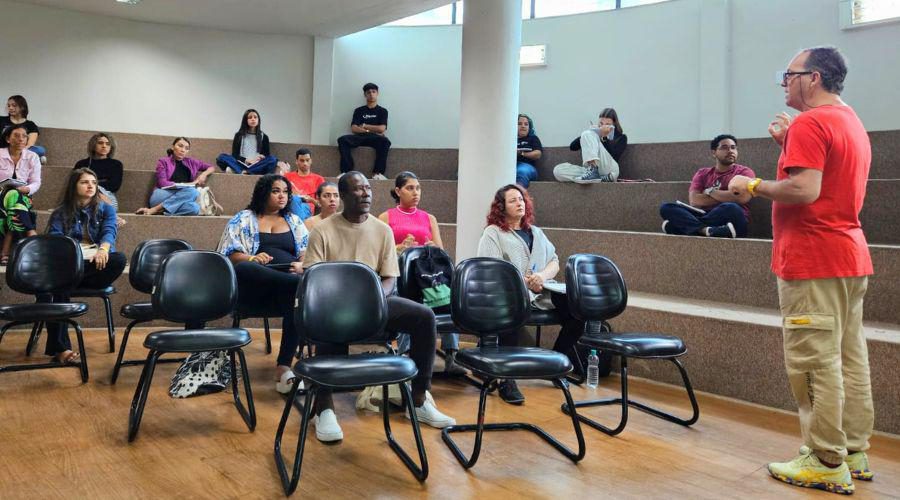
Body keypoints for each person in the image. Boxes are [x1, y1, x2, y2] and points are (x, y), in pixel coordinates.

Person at [729, 46, 874, 495]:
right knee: (850, 358)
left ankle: (825, 458)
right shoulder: (848, 119)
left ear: (812, 78)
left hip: (813, 259)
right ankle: (852, 450)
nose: (784, 82)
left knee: (815, 362)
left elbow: (805, 190)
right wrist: (788, 146)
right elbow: (823, 177)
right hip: (848, 256)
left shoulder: (812, 123)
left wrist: (749, 185)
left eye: (788, 74)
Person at [303, 171, 455, 442]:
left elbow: (389, 277)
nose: (366, 194)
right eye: (358, 190)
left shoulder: (382, 230)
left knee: (424, 317)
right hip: (335, 304)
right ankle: (323, 408)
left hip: (375, 301)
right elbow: (314, 278)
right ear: (344, 196)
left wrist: (374, 300)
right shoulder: (322, 231)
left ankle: (419, 400)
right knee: (328, 324)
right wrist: (345, 303)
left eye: (368, 189)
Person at [476, 184, 584, 405]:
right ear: (501, 207)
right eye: (513, 200)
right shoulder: (493, 233)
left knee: (577, 310)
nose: (520, 203)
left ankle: (558, 361)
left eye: (522, 199)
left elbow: (554, 261)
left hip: (541, 291)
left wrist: (542, 277)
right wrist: (525, 282)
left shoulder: (536, 232)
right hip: (510, 294)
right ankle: (507, 379)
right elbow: (492, 269)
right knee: (512, 307)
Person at [218, 174, 309, 393]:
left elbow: (308, 253)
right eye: (276, 191)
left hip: (286, 292)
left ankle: (283, 367)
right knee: (245, 268)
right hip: (254, 288)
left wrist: (301, 264)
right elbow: (228, 255)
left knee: (295, 293)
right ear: (263, 193)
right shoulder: (244, 218)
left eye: (286, 191)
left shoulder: (294, 221)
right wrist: (252, 258)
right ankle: (297, 285)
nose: (282, 196)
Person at [377, 171, 464, 376]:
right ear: (398, 191)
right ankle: (406, 353)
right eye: (410, 188)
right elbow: (381, 253)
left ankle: (452, 354)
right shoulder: (386, 217)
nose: (416, 192)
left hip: (428, 276)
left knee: (449, 296)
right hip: (399, 275)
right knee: (406, 299)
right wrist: (399, 248)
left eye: (418, 188)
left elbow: (442, 253)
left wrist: (432, 247)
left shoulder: (429, 218)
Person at [44, 168, 126, 365]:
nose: (91, 186)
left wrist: (104, 250)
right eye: (84, 182)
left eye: (93, 182)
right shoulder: (60, 212)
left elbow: (109, 232)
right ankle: (62, 349)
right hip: (71, 260)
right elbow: (55, 240)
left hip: (94, 264)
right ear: (74, 186)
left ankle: (63, 285)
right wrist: (75, 254)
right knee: (57, 285)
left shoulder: (106, 209)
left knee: (119, 259)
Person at [659, 134, 754, 238]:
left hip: (733, 218)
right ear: (714, 153)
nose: (730, 151)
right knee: (666, 207)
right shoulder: (703, 173)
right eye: (724, 147)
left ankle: (685, 227)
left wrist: (710, 191)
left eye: (733, 147)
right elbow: (694, 200)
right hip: (708, 215)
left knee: (730, 207)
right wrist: (728, 196)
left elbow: (742, 197)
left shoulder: (745, 172)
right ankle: (706, 230)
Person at [136, 137, 214, 216]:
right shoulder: (163, 161)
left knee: (194, 208)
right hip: (162, 195)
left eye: (186, 148)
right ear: (173, 147)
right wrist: (188, 185)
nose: (183, 150)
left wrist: (204, 175)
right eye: (180, 146)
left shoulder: (192, 162)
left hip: (182, 197)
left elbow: (211, 167)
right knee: (192, 191)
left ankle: (160, 211)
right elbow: (162, 183)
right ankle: (155, 209)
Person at [0, 124, 41, 264]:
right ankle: (30, 232)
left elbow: (36, 182)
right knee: (11, 194)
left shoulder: (33, 157)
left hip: (24, 196)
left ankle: (5, 249)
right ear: (7, 138)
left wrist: (27, 189)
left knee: (14, 199)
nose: (21, 139)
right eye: (16, 135)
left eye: (24, 136)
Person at [553, 107, 627, 183]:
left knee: (588, 133)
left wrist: (604, 137)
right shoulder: (593, 134)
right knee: (558, 171)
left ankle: (594, 173)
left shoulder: (621, 137)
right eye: (601, 124)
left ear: (614, 124)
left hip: (610, 171)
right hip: (592, 172)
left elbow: (614, 156)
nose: (603, 127)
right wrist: (592, 132)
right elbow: (572, 147)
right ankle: (597, 177)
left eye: (607, 124)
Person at [336, 83, 391, 180]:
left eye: (374, 92)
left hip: (375, 138)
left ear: (377, 93)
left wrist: (365, 126)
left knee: (385, 142)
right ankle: (346, 172)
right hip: (360, 137)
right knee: (342, 140)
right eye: (368, 92)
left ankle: (377, 173)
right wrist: (371, 130)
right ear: (365, 95)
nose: (371, 94)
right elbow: (354, 128)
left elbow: (382, 128)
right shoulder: (359, 110)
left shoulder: (382, 111)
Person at [216, 109, 278, 175]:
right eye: (250, 117)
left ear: (258, 120)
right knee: (221, 157)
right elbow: (235, 155)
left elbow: (266, 155)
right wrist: (246, 160)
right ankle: (243, 171)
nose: (253, 119)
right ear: (246, 120)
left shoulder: (264, 136)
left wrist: (260, 157)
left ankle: (242, 171)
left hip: (256, 165)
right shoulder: (239, 135)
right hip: (241, 164)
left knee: (272, 159)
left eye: (255, 117)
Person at [74, 133, 124, 210]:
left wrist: (92, 186)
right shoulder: (82, 164)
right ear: (93, 146)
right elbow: (74, 183)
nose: (104, 146)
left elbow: (114, 185)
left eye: (108, 144)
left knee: (102, 202)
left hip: (106, 194)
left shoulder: (116, 164)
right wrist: (95, 188)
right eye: (100, 143)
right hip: (84, 193)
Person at [0, 95, 46, 161]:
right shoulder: (1, 120)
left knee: (40, 150)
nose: (10, 108)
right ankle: (35, 159)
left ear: (22, 107)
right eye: (9, 106)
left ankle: (26, 158)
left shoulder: (30, 124)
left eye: (14, 105)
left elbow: (29, 145)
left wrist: (17, 150)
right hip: (3, 149)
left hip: (21, 150)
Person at [283, 148, 325, 220]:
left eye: (307, 160)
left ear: (311, 161)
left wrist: (311, 200)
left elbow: (322, 203)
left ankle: (299, 226)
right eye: (302, 160)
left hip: (306, 208)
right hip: (289, 205)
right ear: (296, 161)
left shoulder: (319, 179)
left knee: (295, 200)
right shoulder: (287, 177)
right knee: (294, 199)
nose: (305, 163)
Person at [515, 114, 543, 188]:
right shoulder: (509, 139)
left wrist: (521, 153)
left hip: (528, 167)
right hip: (510, 166)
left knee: (521, 171)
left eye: (526, 124)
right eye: (519, 124)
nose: (523, 126)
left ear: (529, 127)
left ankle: (517, 195)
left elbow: (538, 154)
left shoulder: (533, 138)